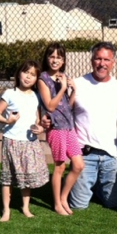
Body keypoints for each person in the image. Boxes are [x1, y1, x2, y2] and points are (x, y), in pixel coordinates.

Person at [63, 42, 117, 209]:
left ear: (113, 62)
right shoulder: (77, 84)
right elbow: (63, 112)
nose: (102, 63)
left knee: (113, 204)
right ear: (92, 60)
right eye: (98, 59)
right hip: (85, 154)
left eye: (106, 59)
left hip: (111, 155)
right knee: (78, 206)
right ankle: (83, 183)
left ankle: (98, 185)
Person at [0, 60, 49, 222]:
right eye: (26, 72)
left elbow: (38, 120)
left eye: (32, 75)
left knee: (27, 177)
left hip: (29, 142)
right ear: (19, 73)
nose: (28, 77)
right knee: (7, 177)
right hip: (11, 141)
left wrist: (40, 128)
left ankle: (25, 207)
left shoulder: (36, 96)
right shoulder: (10, 93)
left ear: (36, 78)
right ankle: (6, 210)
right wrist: (7, 121)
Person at [38, 43, 84, 216]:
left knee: (78, 165)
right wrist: (63, 87)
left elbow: (67, 106)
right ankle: (57, 204)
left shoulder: (62, 76)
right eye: (52, 56)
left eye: (58, 57)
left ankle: (64, 197)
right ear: (47, 58)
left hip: (69, 127)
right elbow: (50, 106)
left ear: (63, 60)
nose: (55, 60)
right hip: (56, 128)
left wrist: (72, 90)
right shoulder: (43, 79)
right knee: (60, 167)